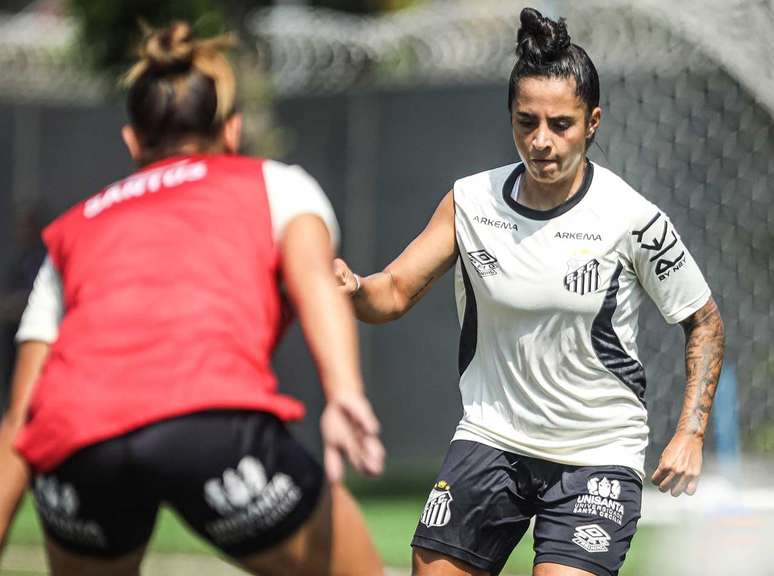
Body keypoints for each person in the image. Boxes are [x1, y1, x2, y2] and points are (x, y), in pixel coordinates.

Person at [334, 7, 724, 576]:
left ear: (592, 122)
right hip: (491, 437)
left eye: (560, 124)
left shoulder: (631, 217)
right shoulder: (470, 202)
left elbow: (705, 321)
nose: (541, 141)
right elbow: (392, 293)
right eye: (526, 121)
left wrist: (690, 433)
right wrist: (352, 288)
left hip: (597, 455)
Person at [0, 22, 385, 576]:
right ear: (231, 131)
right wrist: (344, 391)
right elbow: (315, 279)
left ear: (133, 141)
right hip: (209, 428)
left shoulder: (72, 230)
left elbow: (21, 414)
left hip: (76, 446)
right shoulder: (276, 183)